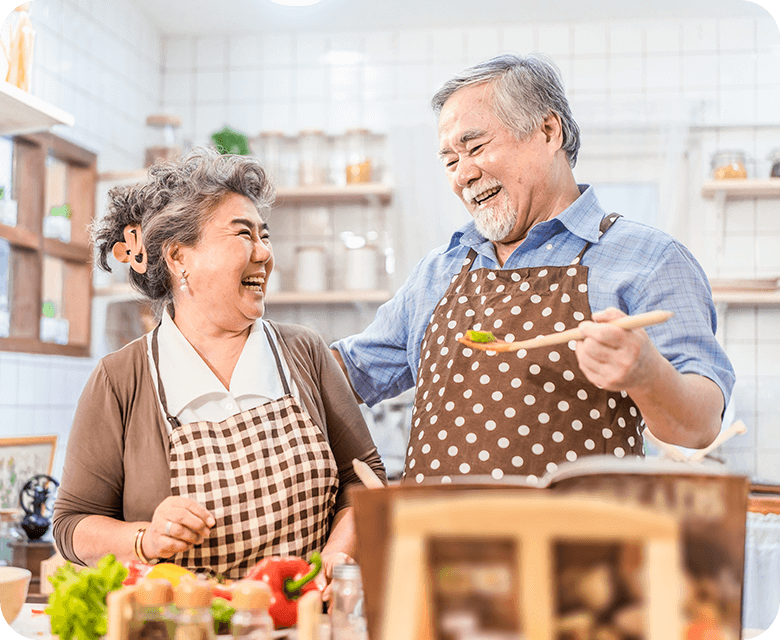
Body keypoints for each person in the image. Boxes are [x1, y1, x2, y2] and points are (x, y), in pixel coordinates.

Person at [331, 53, 734, 484]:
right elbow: (345, 375)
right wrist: (258, 339)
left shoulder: (651, 258)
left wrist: (647, 374)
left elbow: (699, 429)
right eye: (450, 160)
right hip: (433, 548)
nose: (463, 174)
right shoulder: (438, 270)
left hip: (577, 548)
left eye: (476, 147)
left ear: (547, 131)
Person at [53, 147, 386, 582]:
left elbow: (362, 478)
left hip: (303, 619)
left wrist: (335, 562)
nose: (265, 253)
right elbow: (72, 524)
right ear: (178, 258)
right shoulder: (121, 379)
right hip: (184, 622)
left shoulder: (304, 351)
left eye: (265, 236)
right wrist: (144, 539)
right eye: (244, 234)